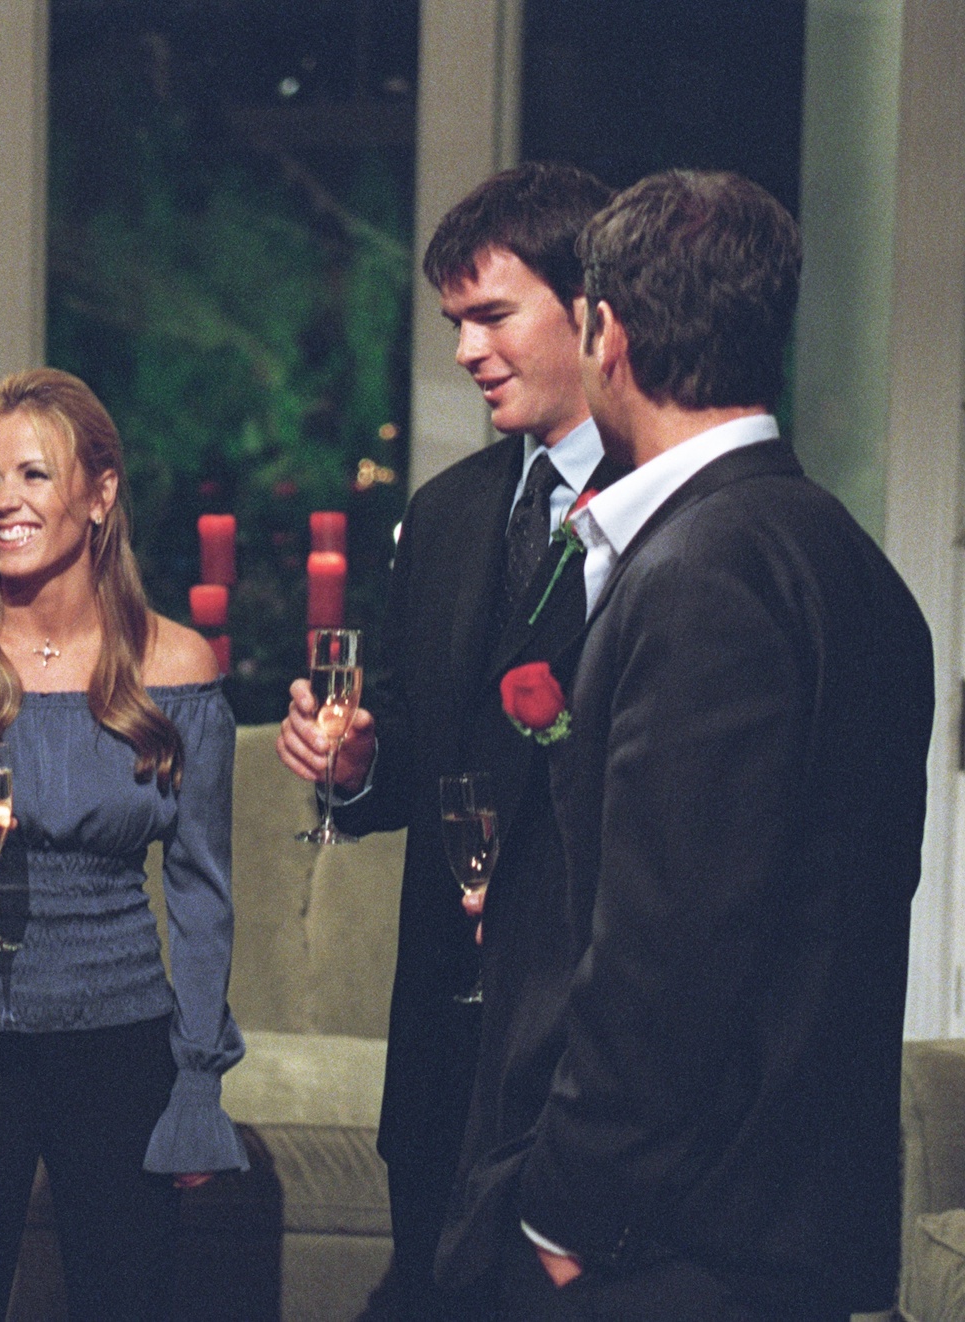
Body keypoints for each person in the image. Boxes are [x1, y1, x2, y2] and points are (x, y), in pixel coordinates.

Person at [480, 169, 931, 1317]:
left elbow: (667, 950)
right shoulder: (849, 560)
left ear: (606, 333)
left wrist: (564, 1213)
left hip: (680, 1242)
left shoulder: (703, 573)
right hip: (792, 1220)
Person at [277, 161, 617, 1318]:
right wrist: (354, 762)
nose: (467, 349)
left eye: (492, 314)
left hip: (580, 1044)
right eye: (452, 322)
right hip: (437, 1048)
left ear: (590, 307)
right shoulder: (447, 509)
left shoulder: (668, 512)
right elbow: (415, 740)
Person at [0, 368, 247, 1320]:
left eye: (33, 474)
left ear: (99, 494)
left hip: (122, 1045)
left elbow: (201, 893)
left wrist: (197, 1078)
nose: (4, 502)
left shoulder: (177, 666)